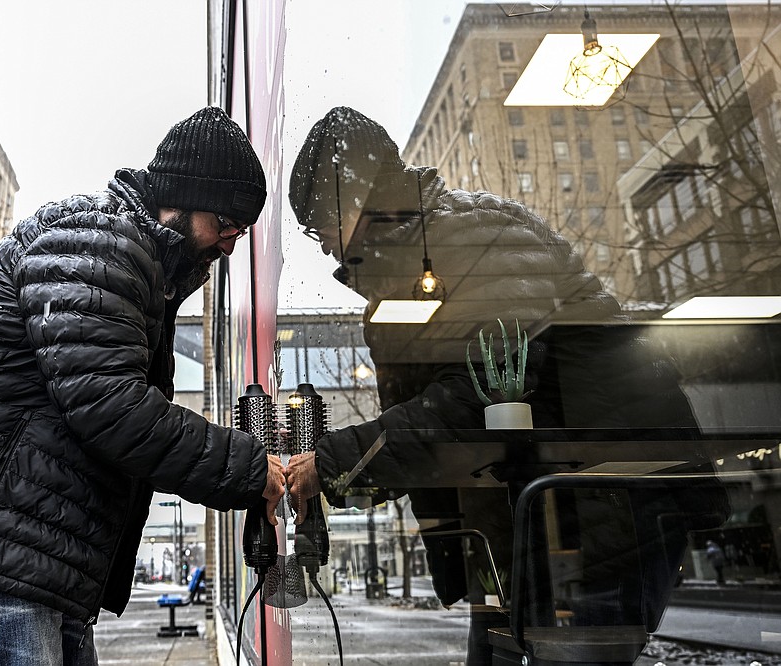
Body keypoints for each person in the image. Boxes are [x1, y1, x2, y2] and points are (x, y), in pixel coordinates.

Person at [0, 106, 286, 666]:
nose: (230, 242)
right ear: (183, 198)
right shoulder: (100, 242)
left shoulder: (135, 259)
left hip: (24, 543)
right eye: (226, 223)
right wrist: (248, 468)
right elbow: (111, 407)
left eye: (240, 230)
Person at [283, 106, 727, 664]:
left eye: (317, 221)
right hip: (538, 523)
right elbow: (449, 423)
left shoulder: (467, 239)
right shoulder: (415, 263)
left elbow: (477, 404)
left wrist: (336, 461)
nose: (319, 241)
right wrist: (346, 475)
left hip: (603, 512)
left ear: (352, 199)